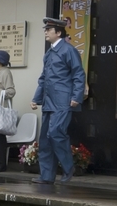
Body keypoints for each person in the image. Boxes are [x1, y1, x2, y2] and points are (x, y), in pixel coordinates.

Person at [31, 18, 86, 184]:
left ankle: (69, 168)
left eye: (49, 30)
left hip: (63, 101)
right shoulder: (49, 53)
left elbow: (78, 74)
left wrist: (76, 97)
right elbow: (43, 78)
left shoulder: (68, 50)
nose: (46, 32)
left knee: (56, 133)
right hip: (49, 101)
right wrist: (36, 98)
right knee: (45, 139)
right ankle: (46, 176)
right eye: (45, 29)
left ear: (59, 32)